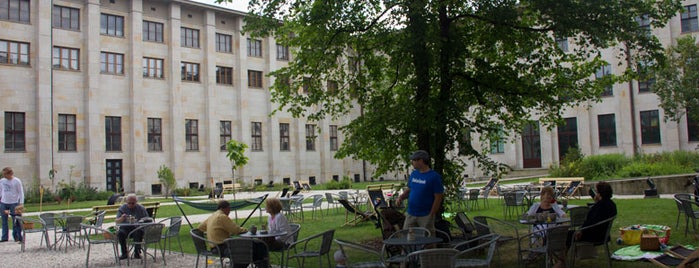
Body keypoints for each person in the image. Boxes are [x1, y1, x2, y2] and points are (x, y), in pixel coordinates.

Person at [556, 181, 617, 268]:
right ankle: (562, 261)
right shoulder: (611, 204)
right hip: (604, 234)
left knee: (565, 235)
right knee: (569, 234)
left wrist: (581, 230)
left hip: (593, 235)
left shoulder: (599, 206)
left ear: (599, 193)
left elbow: (592, 221)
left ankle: (561, 262)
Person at [199, 200, 262, 268]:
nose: (229, 211)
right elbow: (235, 230)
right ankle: (261, 264)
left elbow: (200, 227)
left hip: (213, 247)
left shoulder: (213, 216)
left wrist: (213, 230)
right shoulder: (222, 217)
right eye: (229, 209)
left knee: (250, 248)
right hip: (222, 247)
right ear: (225, 208)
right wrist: (246, 230)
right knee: (248, 249)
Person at [395, 150, 444, 236]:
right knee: (407, 237)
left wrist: (431, 214)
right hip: (411, 213)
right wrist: (401, 197)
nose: (412, 163)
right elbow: (410, 189)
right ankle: (410, 250)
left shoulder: (434, 177)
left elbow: (438, 197)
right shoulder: (414, 174)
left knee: (427, 238)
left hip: (425, 215)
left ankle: (430, 250)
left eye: (413, 160)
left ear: (420, 161)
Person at [116, 194, 149, 260]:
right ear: (126, 202)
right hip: (125, 228)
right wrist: (122, 218)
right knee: (120, 233)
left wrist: (141, 221)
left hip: (137, 227)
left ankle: (137, 253)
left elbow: (147, 219)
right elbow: (117, 221)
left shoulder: (141, 208)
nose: (131, 205)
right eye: (129, 203)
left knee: (138, 232)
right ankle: (124, 253)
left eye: (133, 203)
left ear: (136, 202)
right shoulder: (122, 208)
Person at [0, 167, 24, 242]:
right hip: (4, 202)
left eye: (5, 174)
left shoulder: (16, 181)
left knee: (15, 220)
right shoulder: (2, 181)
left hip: (14, 202)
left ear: (10, 174)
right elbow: (1, 190)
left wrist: (21, 202)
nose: (4, 176)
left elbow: (21, 192)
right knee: (4, 220)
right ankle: (4, 237)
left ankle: (16, 236)